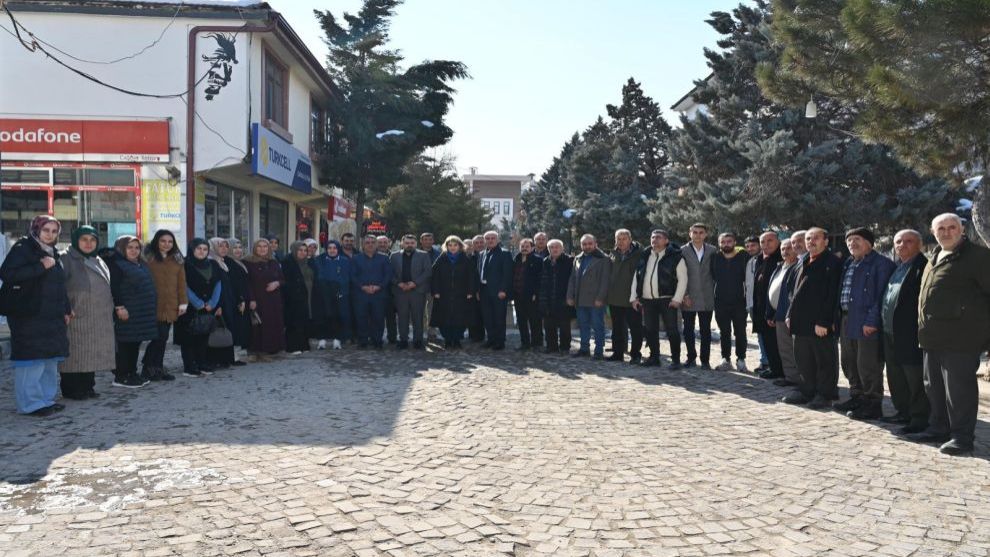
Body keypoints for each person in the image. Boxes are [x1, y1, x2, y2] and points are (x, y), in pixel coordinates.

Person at [912, 213, 990, 455]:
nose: (946, 232)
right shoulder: (934, 256)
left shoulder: (978, 257)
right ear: (933, 233)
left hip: (962, 338)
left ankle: (962, 438)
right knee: (933, 387)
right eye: (941, 229)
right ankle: (938, 428)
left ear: (962, 229)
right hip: (931, 337)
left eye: (951, 227)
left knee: (959, 391)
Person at [0, 216, 71, 416]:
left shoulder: (53, 253)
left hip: (51, 315)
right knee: (31, 361)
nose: (50, 234)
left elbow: (59, 285)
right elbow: (7, 274)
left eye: (54, 231)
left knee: (49, 360)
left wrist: (66, 309)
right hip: (28, 314)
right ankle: (30, 404)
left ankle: (45, 399)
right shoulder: (23, 248)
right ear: (36, 230)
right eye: (46, 230)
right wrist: (40, 267)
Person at [833, 227, 896, 420]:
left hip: (866, 322)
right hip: (846, 319)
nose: (852, 243)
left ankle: (872, 403)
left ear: (869, 242)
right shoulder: (849, 263)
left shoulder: (881, 264)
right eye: (849, 240)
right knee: (849, 361)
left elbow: (881, 296)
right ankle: (857, 396)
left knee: (868, 364)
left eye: (857, 239)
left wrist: (872, 320)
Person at [783, 228, 842, 409]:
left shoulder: (833, 263)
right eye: (808, 239)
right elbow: (793, 292)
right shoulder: (802, 262)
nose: (811, 242)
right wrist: (789, 315)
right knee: (804, 359)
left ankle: (825, 394)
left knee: (824, 360)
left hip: (820, 323)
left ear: (826, 241)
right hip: (800, 322)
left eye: (816, 238)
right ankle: (807, 390)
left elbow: (833, 294)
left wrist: (825, 321)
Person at [880, 229, 929, 434]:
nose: (902, 245)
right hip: (890, 332)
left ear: (919, 244)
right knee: (895, 374)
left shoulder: (923, 267)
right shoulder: (898, 267)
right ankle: (903, 411)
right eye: (898, 242)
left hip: (910, 333)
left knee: (914, 377)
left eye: (908, 241)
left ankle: (919, 417)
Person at [59, 226, 114, 400]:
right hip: (75, 315)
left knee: (91, 353)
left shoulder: (98, 259)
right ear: (76, 240)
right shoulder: (65, 258)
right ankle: (72, 389)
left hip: (97, 316)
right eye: (84, 239)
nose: (88, 244)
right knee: (75, 354)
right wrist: (66, 308)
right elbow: (57, 287)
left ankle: (88, 386)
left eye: (92, 240)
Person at [104, 235, 159, 388]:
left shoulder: (140, 264)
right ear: (121, 248)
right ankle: (122, 376)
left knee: (135, 343)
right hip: (127, 311)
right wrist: (120, 307)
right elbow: (114, 288)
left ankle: (132, 372)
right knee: (125, 344)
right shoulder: (118, 265)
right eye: (130, 247)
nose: (134, 251)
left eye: (137, 247)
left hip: (140, 312)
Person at [631, 229, 687, 368]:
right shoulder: (645, 255)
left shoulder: (675, 256)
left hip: (667, 300)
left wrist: (677, 299)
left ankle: (675, 360)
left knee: (672, 330)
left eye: (659, 237)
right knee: (650, 330)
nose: (655, 240)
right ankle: (654, 358)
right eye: (653, 237)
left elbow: (683, 279)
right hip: (647, 300)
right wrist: (634, 297)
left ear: (666, 240)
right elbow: (636, 277)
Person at [173, 238, 222, 377]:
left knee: (203, 335)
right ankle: (189, 366)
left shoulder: (213, 264)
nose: (202, 252)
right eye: (199, 249)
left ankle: (202, 363)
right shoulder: (184, 264)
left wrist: (212, 303)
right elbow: (183, 286)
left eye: (205, 249)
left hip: (209, 307)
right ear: (192, 249)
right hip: (189, 306)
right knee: (188, 337)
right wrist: (198, 303)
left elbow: (218, 283)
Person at [143, 230, 187, 381]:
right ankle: (149, 367)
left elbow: (182, 283)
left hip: (171, 304)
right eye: (163, 241)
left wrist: (183, 303)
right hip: (153, 304)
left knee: (162, 337)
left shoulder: (177, 259)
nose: (166, 244)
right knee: (157, 338)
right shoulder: (148, 258)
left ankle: (156, 367)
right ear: (157, 241)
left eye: (170, 241)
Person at [566, 234, 611, 360]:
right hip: (580, 300)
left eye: (590, 243)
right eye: (584, 244)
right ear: (581, 245)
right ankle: (584, 349)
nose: (587, 246)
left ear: (595, 244)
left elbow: (605, 281)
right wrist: (570, 296)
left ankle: (598, 351)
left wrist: (600, 298)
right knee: (583, 325)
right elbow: (572, 279)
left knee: (598, 326)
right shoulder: (578, 259)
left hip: (595, 300)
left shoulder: (604, 259)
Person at [430, 235, 478, 349]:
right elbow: (435, 276)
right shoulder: (442, 258)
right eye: (450, 245)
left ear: (460, 246)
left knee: (460, 318)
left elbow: (472, 276)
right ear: (446, 246)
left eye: (455, 245)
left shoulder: (465, 259)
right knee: (444, 317)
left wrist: (471, 290)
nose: (452, 247)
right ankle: (447, 339)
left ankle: (457, 339)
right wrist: (435, 290)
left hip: (461, 294)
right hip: (444, 294)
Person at [765, 238, 801, 387]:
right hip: (778, 314)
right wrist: (770, 312)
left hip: (792, 315)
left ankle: (801, 378)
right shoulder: (779, 267)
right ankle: (790, 377)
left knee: (796, 349)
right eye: (783, 249)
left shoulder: (798, 267)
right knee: (784, 348)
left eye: (788, 248)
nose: (785, 252)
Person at [206, 238, 246, 369]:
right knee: (217, 330)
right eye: (220, 246)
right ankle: (215, 360)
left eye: (225, 246)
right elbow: (213, 286)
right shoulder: (212, 262)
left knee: (226, 329)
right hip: (218, 303)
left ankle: (226, 359)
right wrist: (217, 306)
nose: (223, 249)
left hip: (228, 301)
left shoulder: (223, 262)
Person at [681, 223, 717, 370]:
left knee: (705, 330)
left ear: (706, 234)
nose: (697, 235)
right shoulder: (682, 251)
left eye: (701, 232)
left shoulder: (712, 250)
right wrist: (684, 295)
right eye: (694, 232)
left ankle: (705, 360)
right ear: (690, 233)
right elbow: (679, 275)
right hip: (689, 296)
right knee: (688, 329)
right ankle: (691, 358)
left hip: (707, 297)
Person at [712, 233, 749, 372]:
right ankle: (725, 359)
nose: (726, 244)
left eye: (729, 241)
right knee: (724, 332)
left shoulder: (744, 257)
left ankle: (741, 359)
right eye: (723, 242)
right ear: (719, 243)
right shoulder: (715, 258)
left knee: (740, 332)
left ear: (734, 242)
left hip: (740, 301)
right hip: (720, 301)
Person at [244, 238, 285, 360]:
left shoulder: (273, 262)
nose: (262, 249)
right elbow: (247, 283)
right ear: (255, 248)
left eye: (265, 247)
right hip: (257, 298)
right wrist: (251, 299)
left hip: (273, 300)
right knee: (257, 324)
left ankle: (270, 350)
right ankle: (255, 351)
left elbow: (283, 279)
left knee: (271, 324)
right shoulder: (248, 262)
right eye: (259, 246)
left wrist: (277, 283)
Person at [389, 234, 432, 349]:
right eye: (407, 243)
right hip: (400, 290)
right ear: (402, 244)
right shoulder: (394, 256)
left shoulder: (423, 255)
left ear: (416, 244)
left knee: (418, 317)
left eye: (412, 243)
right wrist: (399, 283)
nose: (409, 245)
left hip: (417, 290)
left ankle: (418, 340)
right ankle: (403, 340)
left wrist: (415, 283)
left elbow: (427, 271)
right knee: (402, 317)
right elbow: (390, 273)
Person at [606, 229, 643, 364]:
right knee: (617, 328)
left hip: (633, 298)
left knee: (635, 328)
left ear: (630, 239)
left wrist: (639, 296)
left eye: (624, 239)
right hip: (615, 298)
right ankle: (618, 353)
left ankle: (635, 354)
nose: (621, 241)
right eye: (618, 239)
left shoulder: (639, 254)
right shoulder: (612, 255)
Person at [752, 231, 784, 379]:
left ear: (778, 241)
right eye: (763, 242)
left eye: (770, 241)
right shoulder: (759, 259)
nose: (766, 244)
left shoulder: (781, 258)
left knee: (777, 343)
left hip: (775, 310)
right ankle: (773, 367)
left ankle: (781, 370)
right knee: (767, 341)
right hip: (761, 308)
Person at [282, 241, 323, 354]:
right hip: (294, 296)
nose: (303, 252)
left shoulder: (308, 262)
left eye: (305, 250)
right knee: (294, 321)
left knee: (305, 320)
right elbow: (287, 280)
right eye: (300, 250)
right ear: (294, 250)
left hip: (309, 294)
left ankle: (304, 345)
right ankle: (293, 346)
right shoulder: (288, 262)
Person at [351, 235, 391, 349]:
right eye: (367, 242)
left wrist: (379, 286)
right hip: (361, 294)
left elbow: (388, 275)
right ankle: (362, 341)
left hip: (379, 294)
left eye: (373, 242)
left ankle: (377, 341)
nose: (370, 244)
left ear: (376, 244)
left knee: (378, 318)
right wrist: (362, 287)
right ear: (363, 245)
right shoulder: (356, 258)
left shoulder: (384, 258)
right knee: (361, 318)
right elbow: (352, 276)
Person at [477, 231, 513, 350]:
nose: (490, 240)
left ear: (497, 240)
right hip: (484, 290)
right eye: (487, 238)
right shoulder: (482, 253)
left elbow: (507, 274)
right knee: (487, 317)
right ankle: (491, 339)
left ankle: (500, 341)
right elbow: (479, 272)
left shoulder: (504, 253)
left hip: (498, 291)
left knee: (499, 317)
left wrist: (503, 290)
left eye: (493, 238)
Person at [540, 239, 574, 354]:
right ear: (548, 249)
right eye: (551, 247)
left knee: (564, 326)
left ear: (562, 248)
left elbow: (572, 280)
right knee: (549, 325)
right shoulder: (545, 261)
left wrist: (570, 297)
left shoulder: (569, 261)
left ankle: (565, 347)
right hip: (549, 298)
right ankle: (551, 346)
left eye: (557, 247)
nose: (554, 249)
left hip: (563, 298)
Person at [313, 240, 349, 349]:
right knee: (323, 316)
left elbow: (346, 277)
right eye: (329, 248)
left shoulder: (344, 261)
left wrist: (341, 290)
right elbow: (319, 276)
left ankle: (337, 340)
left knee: (337, 316)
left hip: (339, 292)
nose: (332, 250)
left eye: (334, 248)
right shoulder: (319, 260)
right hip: (322, 292)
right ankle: (322, 340)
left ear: (338, 249)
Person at [223, 238, 252, 363]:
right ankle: (232, 356)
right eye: (235, 248)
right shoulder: (229, 263)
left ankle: (236, 354)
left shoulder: (239, 262)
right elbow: (234, 284)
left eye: (240, 247)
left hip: (242, 299)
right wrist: (240, 299)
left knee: (240, 327)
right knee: (235, 327)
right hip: (236, 301)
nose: (238, 250)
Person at [512, 238, 544, 351]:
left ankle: (537, 343)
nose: (524, 248)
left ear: (532, 248)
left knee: (534, 320)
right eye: (522, 246)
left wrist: (536, 292)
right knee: (521, 320)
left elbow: (540, 279)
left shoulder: (538, 260)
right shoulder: (516, 259)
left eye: (527, 246)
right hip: (518, 295)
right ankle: (525, 343)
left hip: (532, 295)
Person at [376, 235, 398, 344]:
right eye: (380, 243)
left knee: (391, 317)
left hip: (391, 291)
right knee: (376, 317)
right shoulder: (372, 255)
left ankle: (392, 338)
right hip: (376, 291)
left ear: (388, 243)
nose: (383, 245)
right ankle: (376, 337)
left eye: (385, 242)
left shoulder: (394, 256)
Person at [420, 232, 442, 341]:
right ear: (421, 241)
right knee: (420, 310)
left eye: (430, 239)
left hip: (433, 286)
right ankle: (422, 331)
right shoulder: (416, 253)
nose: (428, 241)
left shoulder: (439, 254)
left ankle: (432, 332)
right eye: (425, 239)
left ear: (433, 241)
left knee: (432, 310)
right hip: (419, 286)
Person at [467, 235, 487, 343]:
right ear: (473, 245)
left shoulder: (488, 255)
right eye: (476, 243)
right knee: (474, 314)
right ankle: (475, 336)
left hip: (487, 290)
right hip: (473, 291)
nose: (479, 245)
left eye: (481, 242)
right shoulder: (469, 258)